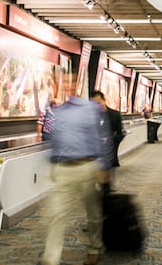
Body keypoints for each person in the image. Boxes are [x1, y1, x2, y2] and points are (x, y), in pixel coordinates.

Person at [41, 95, 113, 265]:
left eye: (71, 81)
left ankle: (95, 247)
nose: (67, 85)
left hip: (87, 167)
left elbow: (100, 137)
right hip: (62, 168)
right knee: (56, 215)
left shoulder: (90, 109)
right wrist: (52, 164)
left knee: (93, 214)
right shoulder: (57, 112)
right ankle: (50, 259)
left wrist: (103, 165)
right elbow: (52, 138)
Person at [92, 91, 124, 193]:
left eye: (98, 102)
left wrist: (111, 141)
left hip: (108, 151)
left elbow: (120, 133)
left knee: (106, 181)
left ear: (104, 100)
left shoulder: (114, 115)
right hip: (94, 153)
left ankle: (106, 191)